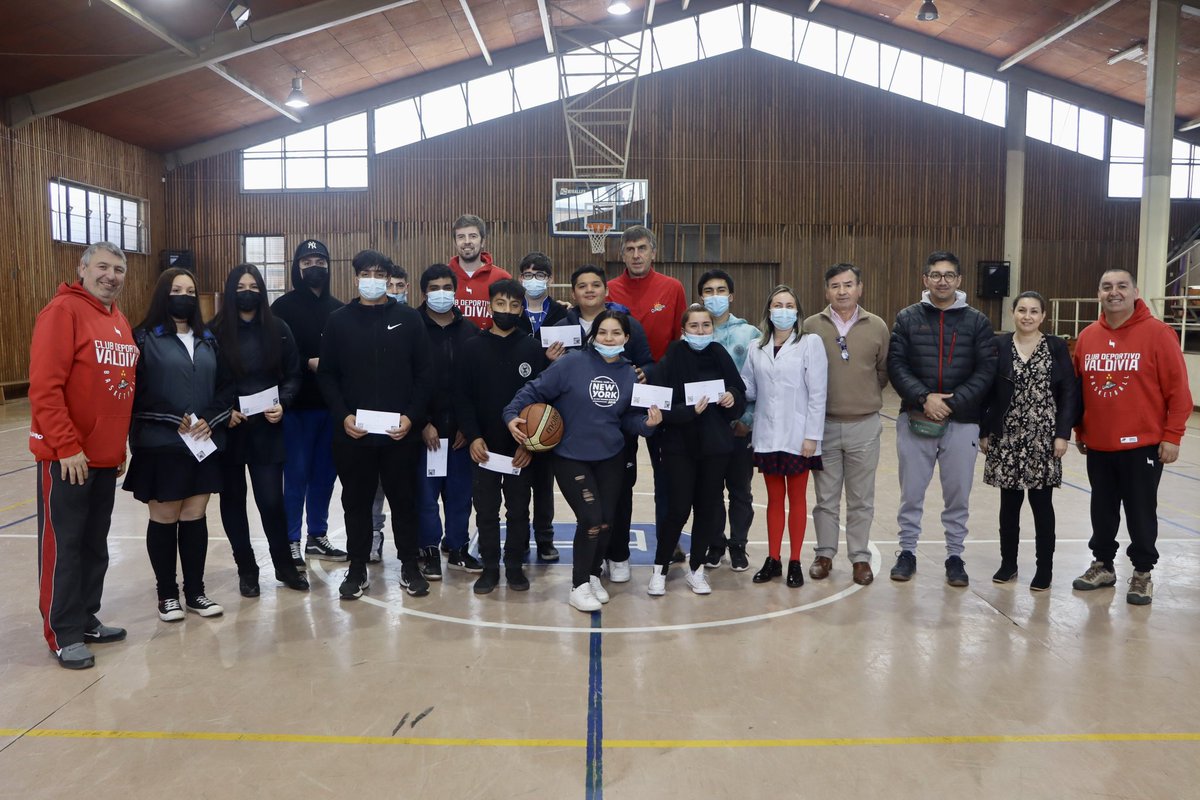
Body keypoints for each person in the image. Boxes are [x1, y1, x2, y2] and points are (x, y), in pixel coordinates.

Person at [504, 310, 662, 612]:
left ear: (626, 338)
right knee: (590, 518)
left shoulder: (629, 373)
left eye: (616, 333)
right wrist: (511, 415)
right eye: (603, 332)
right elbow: (532, 390)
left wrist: (648, 425)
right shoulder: (571, 363)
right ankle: (578, 586)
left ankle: (591, 575)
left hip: (611, 456)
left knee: (605, 522)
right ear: (594, 336)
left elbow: (628, 419)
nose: (609, 338)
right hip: (571, 457)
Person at [30, 242, 137, 669]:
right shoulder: (63, 312)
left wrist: (117, 445)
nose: (111, 275)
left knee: (95, 545)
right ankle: (63, 631)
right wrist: (67, 446)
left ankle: (86, 617)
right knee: (65, 546)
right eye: (103, 267)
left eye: (119, 269)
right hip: (67, 459)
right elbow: (44, 388)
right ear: (83, 269)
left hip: (105, 458)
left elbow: (116, 390)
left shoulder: (119, 320)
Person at [317, 250, 433, 600]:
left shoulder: (410, 320)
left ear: (387, 278)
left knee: (404, 502)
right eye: (365, 273)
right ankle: (356, 569)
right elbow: (327, 376)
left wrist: (412, 417)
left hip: (401, 435)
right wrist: (343, 417)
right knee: (356, 503)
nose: (372, 279)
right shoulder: (338, 320)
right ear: (355, 278)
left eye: (379, 274)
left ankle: (410, 567)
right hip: (354, 435)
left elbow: (425, 375)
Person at [1071, 269, 1191, 605]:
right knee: (1102, 509)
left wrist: (1173, 435)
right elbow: (1080, 391)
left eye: (1122, 286)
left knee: (1140, 510)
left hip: (1143, 445)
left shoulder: (1158, 333)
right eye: (1107, 286)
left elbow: (1179, 392)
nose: (1114, 292)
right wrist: (1081, 429)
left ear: (1135, 291)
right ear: (1099, 294)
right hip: (1099, 443)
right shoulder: (1088, 336)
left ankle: (1142, 573)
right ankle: (1103, 565)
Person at [125, 267, 234, 621]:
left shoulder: (209, 340)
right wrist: (172, 417)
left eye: (190, 290)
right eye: (176, 289)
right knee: (165, 516)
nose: (184, 296)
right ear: (163, 294)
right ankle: (166, 595)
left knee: (194, 515)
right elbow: (135, 395)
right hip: (160, 445)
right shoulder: (142, 338)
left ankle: (196, 593)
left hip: (201, 444)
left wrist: (211, 418)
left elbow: (226, 388)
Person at [887, 251, 997, 587]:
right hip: (916, 419)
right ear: (925, 280)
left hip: (962, 422)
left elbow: (986, 369)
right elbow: (896, 365)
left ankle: (954, 556)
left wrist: (953, 402)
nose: (942, 281)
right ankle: (906, 552)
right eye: (936, 275)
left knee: (958, 495)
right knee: (911, 494)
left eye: (949, 275)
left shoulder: (977, 321)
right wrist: (924, 398)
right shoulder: (907, 318)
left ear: (959, 280)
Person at [548, 264, 654, 581]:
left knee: (618, 496)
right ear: (573, 293)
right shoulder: (560, 325)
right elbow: (548, 379)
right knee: (591, 509)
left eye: (596, 284)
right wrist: (552, 361)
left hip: (617, 427)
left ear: (606, 290)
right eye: (583, 285)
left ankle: (617, 553)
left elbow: (648, 361)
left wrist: (646, 374)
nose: (590, 290)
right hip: (575, 431)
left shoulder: (627, 323)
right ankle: (588, 568)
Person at [211, 264, 309, 596]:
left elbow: (294, 374)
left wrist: (284, 401)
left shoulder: (279, 328)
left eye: (254, 285)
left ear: (263, 290)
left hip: (267, 429)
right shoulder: (215, 332)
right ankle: (247, 569)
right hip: (230, 431)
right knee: (233, 502)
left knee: (271, 502)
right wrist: (223, 413)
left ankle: (284, 566)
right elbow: (206, 383)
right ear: (230, 291)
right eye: (241, 286)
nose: (248, 291)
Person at [979, 291, 1078, 592]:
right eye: (1022, 310)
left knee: (1041, 504)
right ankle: (1008, 563)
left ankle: (1043, 569)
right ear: (1013, 313)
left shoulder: (1056, 346)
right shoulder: (999, 345)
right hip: (1006, 435)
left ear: (1043, 316)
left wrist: (1063, 434)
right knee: (1009, 504)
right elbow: (987, 391)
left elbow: (1069, 393)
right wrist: (985, 430)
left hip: (1043, 437)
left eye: (1034, 311)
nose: (1027, 316)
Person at [648, 305, 746, 596]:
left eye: (706, 326)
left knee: (708, 509)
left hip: (715, 447)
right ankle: (660, 569)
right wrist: (688, 411)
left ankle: (697, 569)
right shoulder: (673, 356)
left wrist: (732, 398)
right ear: (684, 329)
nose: (701, 331)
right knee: (678, 509)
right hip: (680, 445)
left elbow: (739, 395)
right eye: (694, 326)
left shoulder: (718, 354)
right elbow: (660, 406)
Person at [456, 280, 546, 593]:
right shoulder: (472, 347)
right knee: (486, 510)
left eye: (514, 305)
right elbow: (463, 397)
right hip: (484, 448)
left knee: (519, 510)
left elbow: (541, 403)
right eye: (500, 304)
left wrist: (530, 445)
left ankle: (515, 566)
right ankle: (490, 567)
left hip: (520, 448)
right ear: (490, 305)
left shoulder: (532, 349)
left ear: (522, 308)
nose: (506, 310)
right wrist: (474, 436)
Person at [803, 264, 890, 586]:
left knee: (861, 498)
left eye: (848, 285)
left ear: (860, 288)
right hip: (823, 426)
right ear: (826, 291)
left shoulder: (877, 326)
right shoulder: (811, 326)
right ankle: (824, 553)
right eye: (835, 286)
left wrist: (861, 398)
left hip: (864, 426)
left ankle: (860, 558)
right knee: (825, 498)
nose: (842, 291)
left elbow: (882, 372)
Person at [740, 286, 827, 588]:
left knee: (797, 499)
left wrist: (812, 436)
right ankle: (773, 559)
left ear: (797, 311)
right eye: (777, 304)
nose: (783, 310)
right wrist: (726, 385)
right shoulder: (755, 347)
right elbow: (749, 388)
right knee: (774, 499)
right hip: (767, 435)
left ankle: (795, 561)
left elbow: (818, 393)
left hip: (798, 436)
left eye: (789, 305)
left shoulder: (809, 343)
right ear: (769, 310)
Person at [270, 239, 347, 566]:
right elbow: (274, 357)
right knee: (296, 474)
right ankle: (290, 539)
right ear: (297, 267)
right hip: (296, 408)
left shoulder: (340, 310)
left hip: (330, 408)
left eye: (320, 260)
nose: (314, 266)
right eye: (307, 261)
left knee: (324, 475)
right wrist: (307, 363)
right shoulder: (281, 309)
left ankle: (318, 534)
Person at [413, 263, 481, 580]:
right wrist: (422, 423)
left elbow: (476, 387)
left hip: (459, 435)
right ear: (424, 293)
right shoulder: (410, 327)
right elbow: (405, 382)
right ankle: (427, 551)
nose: (441, 293)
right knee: (425, 499)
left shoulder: (470, 332)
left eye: (446, 287)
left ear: (455, 291)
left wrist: (470, 427)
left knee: (459, 497)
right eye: (434, 288)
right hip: (424, 433)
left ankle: (457, 549)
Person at [697, 269, 760, 572]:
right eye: (708, 291)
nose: (715, 297)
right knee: (709, 491)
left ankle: (738, 545)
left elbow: (762, 384)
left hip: (739, 428)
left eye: (721, 290)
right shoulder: (694, 332)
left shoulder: (749, 335)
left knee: (740, 491)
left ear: (731, 296)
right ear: (700, 297)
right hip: (705, 429)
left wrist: (748, 418)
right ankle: (715, 543)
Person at [370, 260, 410, 559]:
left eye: (399, 285)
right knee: (373, 490)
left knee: (405, 491)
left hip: (405, 421)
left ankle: (411, 549)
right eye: (389, 284)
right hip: (369, 420)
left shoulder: (412, 320)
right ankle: (373, 535)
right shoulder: (355, 318)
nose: (393, 290)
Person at [606, 226, 687, 361]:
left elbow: (680, 336)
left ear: (653, 253)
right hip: (618, 374)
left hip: (662, 373)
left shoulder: (673, 287)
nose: (636, 255)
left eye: (642, 248)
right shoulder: (608, 290)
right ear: (623, 256)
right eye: (630, 249)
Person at [448, 214, 512, 329]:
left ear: (482, 241)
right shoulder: (443, 276)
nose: (467, 241)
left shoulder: (502, 278)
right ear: (454, 242)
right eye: (461, 237)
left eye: (473, 236)